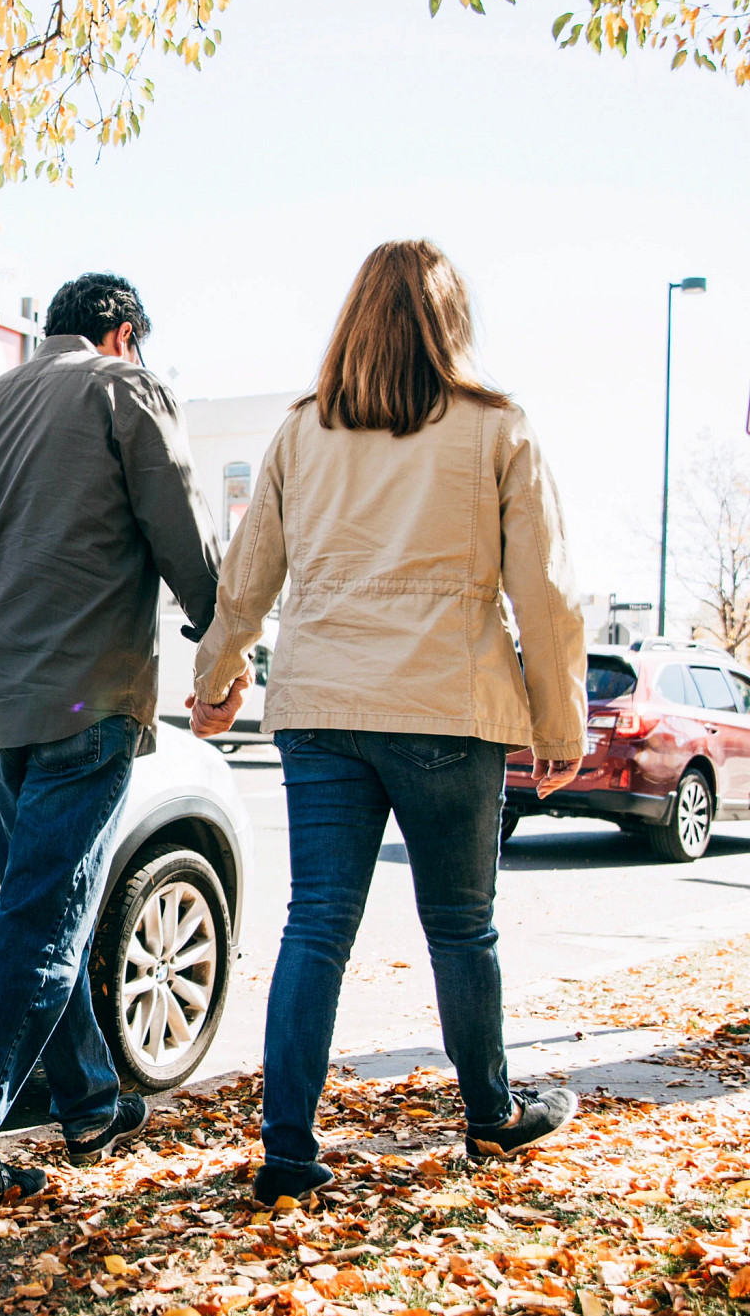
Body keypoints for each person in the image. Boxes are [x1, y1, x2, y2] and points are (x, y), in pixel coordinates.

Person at [191, 240, 587, 1205]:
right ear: (452, 322)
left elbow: (247, 577)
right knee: (462, 927)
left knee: (316, 924)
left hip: (322, 707)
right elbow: (545, 594)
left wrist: (215, 679)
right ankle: (490, 1115)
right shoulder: (499, 428)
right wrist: (560, 725)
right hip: (450, 707)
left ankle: (287, 1153)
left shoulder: (302, 432)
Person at [0, 272, 228, 1210]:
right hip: (87, 701)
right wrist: (222, 645)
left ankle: (89, 1100)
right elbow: (183, 532)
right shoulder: (123, 388)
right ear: (121, 331)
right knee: (41, 923)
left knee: (45, 905)